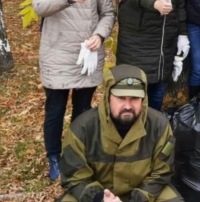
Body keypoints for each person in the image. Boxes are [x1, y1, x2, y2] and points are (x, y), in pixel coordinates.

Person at [33, 0, 115, 181]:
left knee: (83, 110)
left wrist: (99, 35)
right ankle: (54, 157)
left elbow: (108, 13)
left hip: (87, 56)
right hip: (57, 54)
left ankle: (78, 154)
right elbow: (40, 7)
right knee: (55, 110)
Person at [57, 64, 183, 202]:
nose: (128, 106)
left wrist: (138, 199)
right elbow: (75, 176)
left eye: (134, 98)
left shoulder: (160, 126)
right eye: (121, 98)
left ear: (143, 99)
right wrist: (99, 197)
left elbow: (162, 172)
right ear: (108, 97)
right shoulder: (82, 128)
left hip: (143, 194)